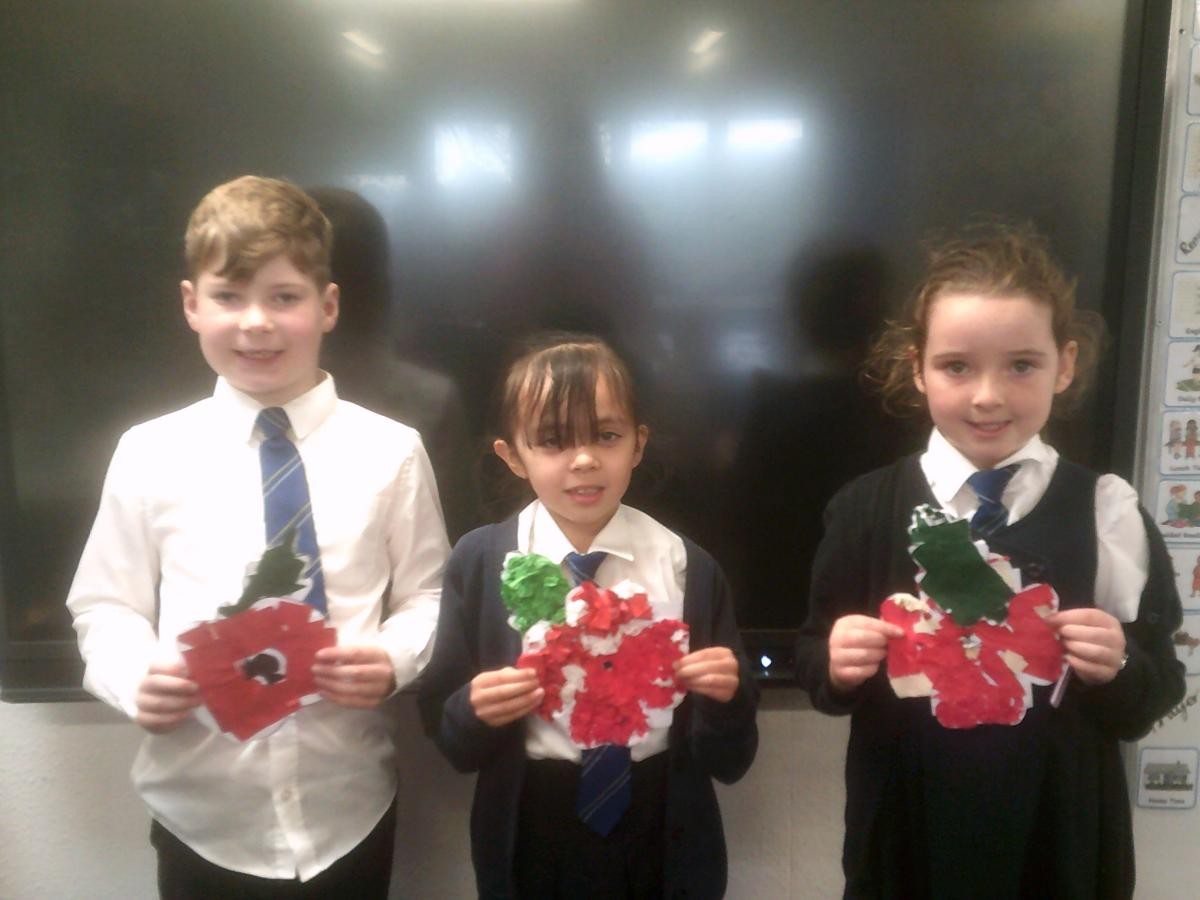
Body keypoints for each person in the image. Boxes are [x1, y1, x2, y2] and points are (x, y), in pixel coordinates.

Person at [66, 175, 449, 898]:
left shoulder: (393, 452)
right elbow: (104, 604)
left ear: (327, 305)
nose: (256, 323)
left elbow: (430, 594)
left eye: (284, 297)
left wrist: (393, 658)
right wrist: (134, 674)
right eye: (229, 296)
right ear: (192, 305)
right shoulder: (148, 454)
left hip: (348, 808)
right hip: (204, 818)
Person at [795, 223, 1184, 899]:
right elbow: (812, 658)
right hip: (909, 840)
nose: (988, 395)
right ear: (917, 368)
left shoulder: (1110, 513)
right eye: (957, 366)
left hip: (1058, 844)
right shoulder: (864, 511)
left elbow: (1157, 688)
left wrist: (1120, 665)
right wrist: (834, 664)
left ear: (1065, 365)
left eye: (1021, 365)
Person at [417, 333, 758, 899]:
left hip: (662, 827)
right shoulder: (479, 564)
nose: (584, 459)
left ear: (638, 444)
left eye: (606, 435)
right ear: (512, 456)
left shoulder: (687, 567)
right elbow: (450, 736)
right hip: (532, 826)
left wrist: (726, 698)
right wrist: (472, 711)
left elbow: (731, 759)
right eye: (553, 440)